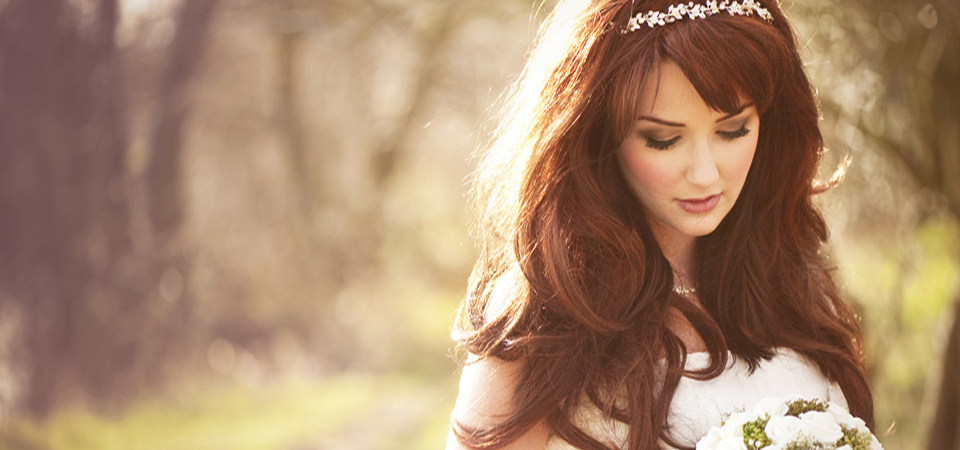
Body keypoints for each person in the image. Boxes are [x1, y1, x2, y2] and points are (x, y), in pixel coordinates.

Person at [446, 0, 875, 449]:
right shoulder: (545, 313)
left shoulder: (794, 281)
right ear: (599, 133)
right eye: (663, 140)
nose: (705, 174)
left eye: (732, 131)